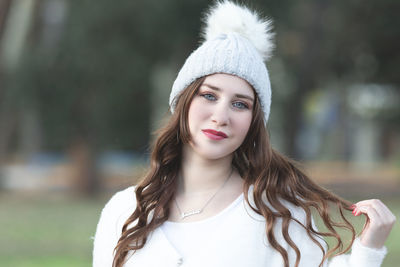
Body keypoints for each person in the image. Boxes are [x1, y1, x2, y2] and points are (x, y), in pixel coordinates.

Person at [93, 1, 396, 267]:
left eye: (240, 104)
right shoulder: (123, 212)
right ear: (183, 103)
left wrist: (368, 251)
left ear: (254, 121)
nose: (221, 116)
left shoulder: (277, 216)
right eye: (209, 96)